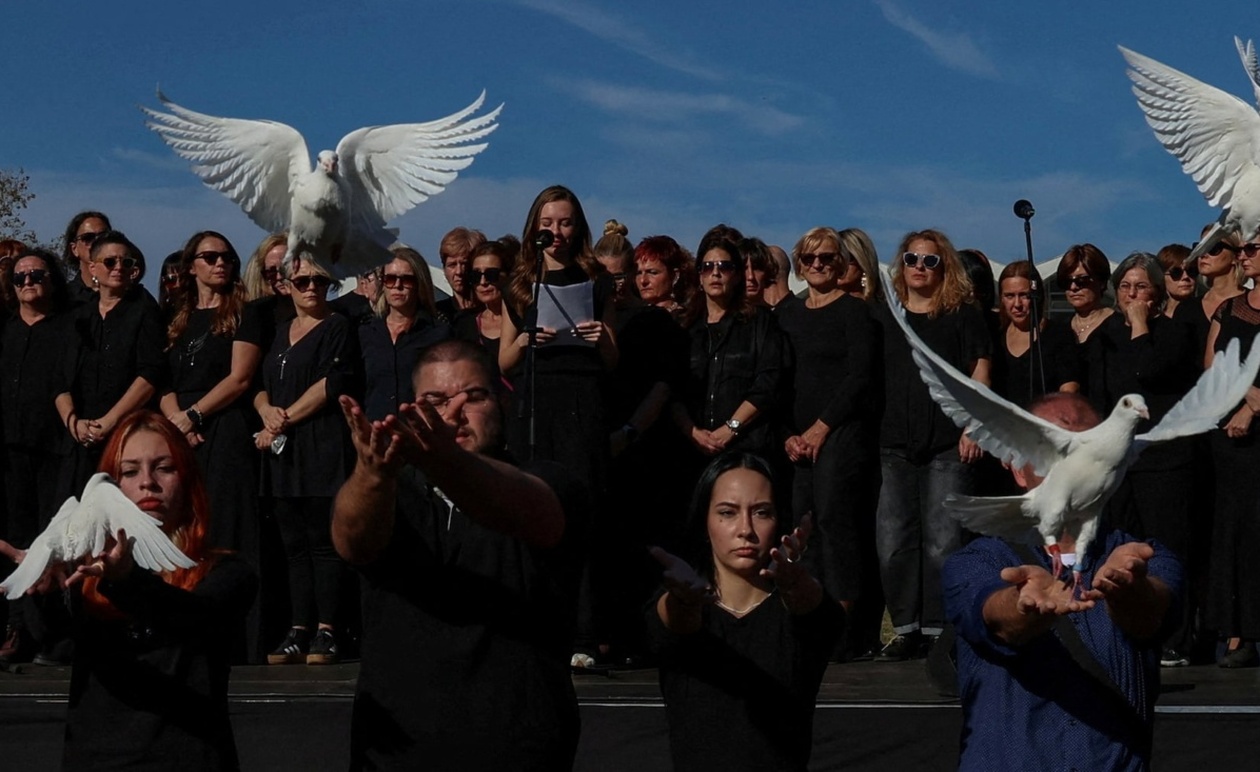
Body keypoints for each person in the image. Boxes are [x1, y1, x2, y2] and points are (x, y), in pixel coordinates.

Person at [332, 340, 586, 771]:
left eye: (474, 396)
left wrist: (443, 460)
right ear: (413, 409)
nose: (453, 414)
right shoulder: (391, 492)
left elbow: (534, 514)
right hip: (395, 754)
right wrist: (372, 473)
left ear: (503, 400)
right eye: (435, 401)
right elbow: (352, 541)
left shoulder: (546, 479)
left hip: (517, 749)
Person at [0, 411, 257, 769]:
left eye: (164, 468)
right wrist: (43, 586)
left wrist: (127, 581)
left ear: (188, 480)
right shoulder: (87, 575)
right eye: (130, 471)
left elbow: (193, 618)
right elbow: (52, 634)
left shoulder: (227, 573)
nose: (147, 483)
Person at [942, 393, 1182, 772]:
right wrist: (1024, 604)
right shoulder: (978, 561)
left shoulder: (1143, 557)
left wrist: (1127, 591)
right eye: (1060, 451)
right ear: (1018, 469)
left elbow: (1152, 615)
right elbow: (992, 616)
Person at [646, 452, 843, 772]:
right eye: (727, 512)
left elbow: (819, 616)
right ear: (704, 520)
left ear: (779, 520)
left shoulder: (797, 615)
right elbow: (674, 624)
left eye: (761, 512)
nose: (745, 529)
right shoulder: (683, 606)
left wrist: (795, 582)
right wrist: (685, 599)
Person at [873, 228, 991, 660]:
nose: (919, 268)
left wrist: (973, 427)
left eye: (930, 261)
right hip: (892, 443)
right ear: (900, 264)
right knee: (893, 540)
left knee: (944, 542)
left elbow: (980, 371)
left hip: (946, 441)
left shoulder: (963, 314)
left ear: (946, 268)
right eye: (912, 259)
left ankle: (942, 630)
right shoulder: (886, 314)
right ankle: (906, 628)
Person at [1085, 252, 1198, 665]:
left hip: (1164, 458)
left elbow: (1144, 374)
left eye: (1142, 287)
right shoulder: (1105, 335)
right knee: (1120, 547)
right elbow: (1099, 393)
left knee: (1166, 549)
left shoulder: (1175, 333)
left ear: (1156, 293)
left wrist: (1138, 325)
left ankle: (1176, 636)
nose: (1132, 295)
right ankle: (1125, 630)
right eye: (1126, 287)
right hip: (1120, 463)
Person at [159, 231, 266, 661]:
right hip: (179, 431)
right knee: (183, 529)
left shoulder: (247, 312)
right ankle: (185, 626)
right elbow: (161, 379)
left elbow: (240, 378)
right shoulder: (176, 315)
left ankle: (239, 639)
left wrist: (195, 415)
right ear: (191, 266)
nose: (220, 263)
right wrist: (175, 421)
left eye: (227, 256)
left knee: (228, 528)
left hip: (224, 428)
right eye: (210, 257)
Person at [775, 226, 876, 660]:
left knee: (836, 521)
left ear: (842, 265)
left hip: (840, 433)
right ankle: (808, 618)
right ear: (799, 264)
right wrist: (788, 435)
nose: (818, 265)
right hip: (796, 438)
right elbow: (777, 378)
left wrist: (821, 428)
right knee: (801, 525)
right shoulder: (788, 315)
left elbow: (861, 377)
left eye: (828, 258)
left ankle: (844, 628)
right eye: (811, 259)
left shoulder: (856, 313)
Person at [255, 255, 357, 666]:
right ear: (287, 284)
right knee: (293, 545)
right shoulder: (281, 332)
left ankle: (328, 628)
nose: (311, 288)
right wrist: (265, 411)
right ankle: (299, 627)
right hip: (284, 450)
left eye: (319, 280)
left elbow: (330, 385)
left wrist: (279, 422)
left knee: (321, 542)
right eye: (302, 281)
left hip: (321, 444)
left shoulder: (338, 327)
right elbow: (261, 386)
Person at [54, 231, 166, 505]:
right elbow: (60, 378)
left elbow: (150, 373)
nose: (118, 268)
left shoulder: (143, 309)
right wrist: (73, 423)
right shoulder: (78, 314)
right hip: (79, 440)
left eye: (125, 263)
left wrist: (109, 421)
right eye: (110, 262)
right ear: (93, 268)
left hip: (125, 434)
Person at [0, 247, 72, 664]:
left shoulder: (68, 328)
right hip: (10, 452)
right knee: (14, 541)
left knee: (53, 541)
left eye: (37, 275)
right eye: (20, 277)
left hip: (54, 449)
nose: (28, 282)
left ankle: (56, 634)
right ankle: (17, 627)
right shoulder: (4, 330)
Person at [674, 234, 784, 461]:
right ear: (699, 277)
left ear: (736, 275)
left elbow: (768, 382)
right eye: (707, 267)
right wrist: (692, 432)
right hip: (691, 449)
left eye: (724, 266)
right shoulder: (685, 328)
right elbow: (672, 389)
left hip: (746, 448)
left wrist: (731, 428)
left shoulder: (759, 322)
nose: (715, 273)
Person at [1203, 238, 1260, 667]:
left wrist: (1254, 406)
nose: (1243, 255)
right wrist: (1247, 400)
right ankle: (1239, 632)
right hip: (1232, 440)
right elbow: (1212, 370)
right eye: (1241, 248)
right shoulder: (1229, 310)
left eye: (1253, 247)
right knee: (1235, 530)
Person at [359, 247, 451, 421]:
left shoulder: (438, 334)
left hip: (421, 434)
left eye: (406, 280)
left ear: (419, 284)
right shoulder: (365, 333)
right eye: (390, 279)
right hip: (377, 434)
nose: (397, 286)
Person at [989, 260, 1079, 409]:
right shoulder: (995, 337)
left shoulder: (1059, 334)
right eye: (1010, 296)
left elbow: (1069, 388)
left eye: (1024, 295)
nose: (1017, 304)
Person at [453, 238, 518, 386]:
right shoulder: (464, 325)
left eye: (491, 275)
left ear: (508, 275)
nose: (483, 282)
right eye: (476, 276)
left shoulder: (523, 321)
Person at [1058, 243, 1115, 346]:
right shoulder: (1058, 330)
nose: (1073, 287)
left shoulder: (1120, 326)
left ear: (1101, 282)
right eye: (1066, 281)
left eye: (1082, 280)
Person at [634, 235, 695, 323]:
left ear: (674, 275)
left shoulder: (688, 320)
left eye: (652, 272)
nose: (643, 280)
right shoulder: (632, 319)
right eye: (638, 273)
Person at [60, 211, 112, 308]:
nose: (96, 241)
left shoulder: (133, 296)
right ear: (74, 249)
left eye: (104, 236)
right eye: (88, 238)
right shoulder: (63, 298)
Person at [434, 226, 486, 321]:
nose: (459, 271)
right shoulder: (436, 315)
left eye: (464, 264)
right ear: (444, 269)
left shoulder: (493, 312)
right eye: (452, 265)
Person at [761, 245, 799, 311]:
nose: (751, 275)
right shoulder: (807, 311)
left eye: (757, 268)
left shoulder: (756, 316)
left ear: (771, 270)